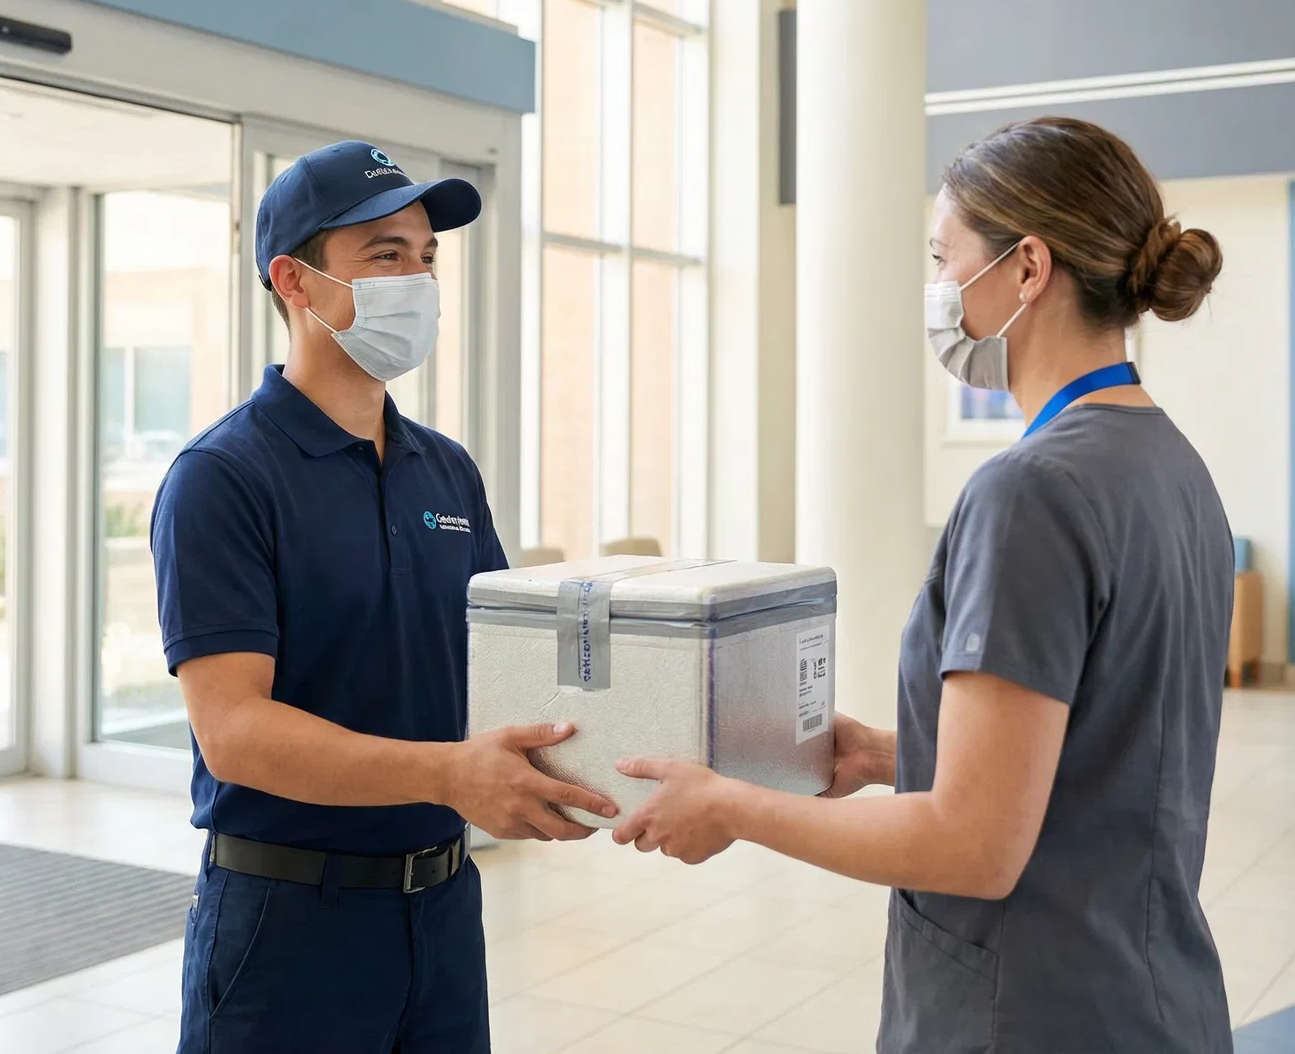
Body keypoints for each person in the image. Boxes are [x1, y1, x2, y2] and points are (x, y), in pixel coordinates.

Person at [612, 117, 1235, 1053]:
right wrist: (875, 753)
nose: (939, 292)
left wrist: (733, 805)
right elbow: (1099, 755)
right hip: (1151, 997)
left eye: (947, 260)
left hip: (1030, 1013)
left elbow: (973, 847)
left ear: (1028, 269)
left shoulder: (1032, 491)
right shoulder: (1173, 467)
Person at [153, 140, 617, 1054]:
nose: (419, 280)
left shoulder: (443, 467)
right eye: (385, 256)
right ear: (296, 280)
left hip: (443, 906)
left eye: (427, 256)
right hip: (290, 923)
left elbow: (502, 667)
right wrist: (448, 773)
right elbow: (234, 733)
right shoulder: (223, 478)